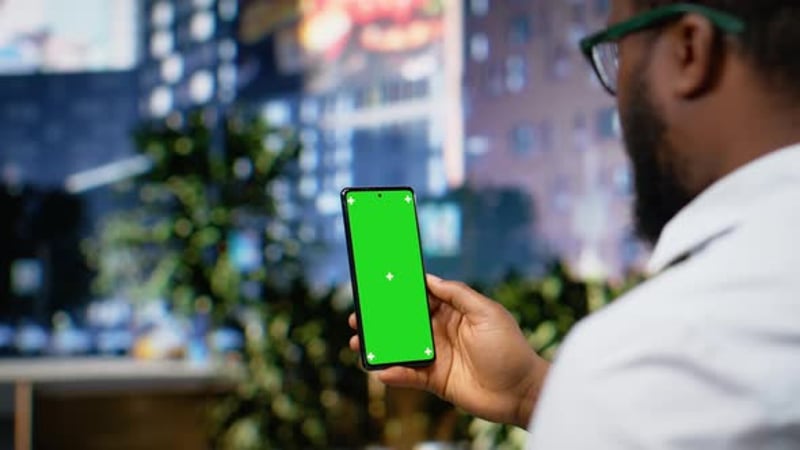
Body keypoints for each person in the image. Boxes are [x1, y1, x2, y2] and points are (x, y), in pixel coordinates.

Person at [349, 0, 800, 447]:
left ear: (688, 49)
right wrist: (530, 393)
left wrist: (583, 400)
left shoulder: (656, 359)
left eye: (617, 52)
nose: (616, 92)